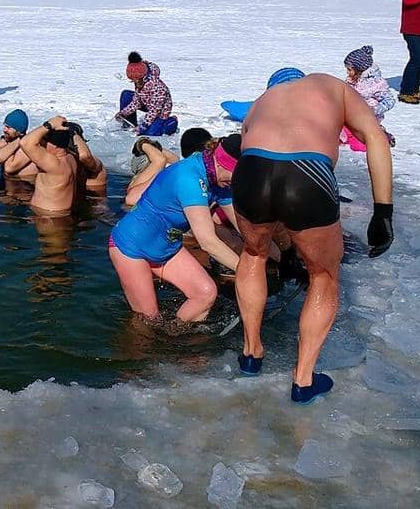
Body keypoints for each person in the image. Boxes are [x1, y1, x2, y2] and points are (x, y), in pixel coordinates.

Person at [232, 71, 393, 404]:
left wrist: (287, 246)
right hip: (307, 171)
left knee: (253, 253)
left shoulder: (262, 103)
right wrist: (382, 212)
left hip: (251, 172)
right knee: (323, 275)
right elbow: (375, 137)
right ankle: (303, 380)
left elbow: (261, 165)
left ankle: (251, 353)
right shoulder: (333, 86)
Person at [108, 136, 243, 323]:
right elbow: (207, 241)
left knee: (205, 294)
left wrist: (271, 253)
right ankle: (140, 350)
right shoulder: (190, 178)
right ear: (222, 164)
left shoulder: (219, 179)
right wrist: (248, 272)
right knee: (148, 319)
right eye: (236, 176)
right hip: (131, 248)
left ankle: (176, 339)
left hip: (167, 249)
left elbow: (243, 226)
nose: (236, 183)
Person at [19, 116, 80, 214]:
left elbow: (25, 143)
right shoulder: (70, 158)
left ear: (54, 145)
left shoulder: (54, 164)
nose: (41, 144)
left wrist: (49, 125)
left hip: (48, 218)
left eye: (44, 141)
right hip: (57, 216)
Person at [341, 46, 396, 150]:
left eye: (349, 70)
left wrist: (373, 110)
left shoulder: (376, 84)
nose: (347, 73)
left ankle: (384, 137)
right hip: (350, 117)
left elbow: (390, 101)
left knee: (359, 146)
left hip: (367, 119)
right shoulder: (351, 80)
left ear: (359, 69)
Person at [117, 52, 178, 135]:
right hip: (147, 103)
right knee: (126, 95)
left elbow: (154, 111)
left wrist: (142, 127)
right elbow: (136, 102)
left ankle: (171, 122)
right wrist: (123, 113)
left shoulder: (157, 87)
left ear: (144, 77)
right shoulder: (140, 82)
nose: (134, 82)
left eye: (136, 80)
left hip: (160, 112)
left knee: (151, 133)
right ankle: (129, 125)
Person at [0, 109, 37, 179]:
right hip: (8, 182)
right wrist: (17, 140)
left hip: (24, 185)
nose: (4, 130)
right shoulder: (7, 139)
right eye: (4, 126)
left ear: (19, 131)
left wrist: (18, 140)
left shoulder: (28, 146)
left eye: (8, 127)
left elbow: (9, 168)